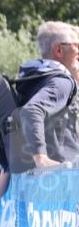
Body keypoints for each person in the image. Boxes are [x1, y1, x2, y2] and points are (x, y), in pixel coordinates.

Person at [18, 21, 79, 168]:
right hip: (64, 172)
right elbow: (31, 110)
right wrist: (41, 158)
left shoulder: (35, 79)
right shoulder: (62, 81)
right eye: (76, 45)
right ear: (59, 49)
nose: (78, 50)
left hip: (39, 175)